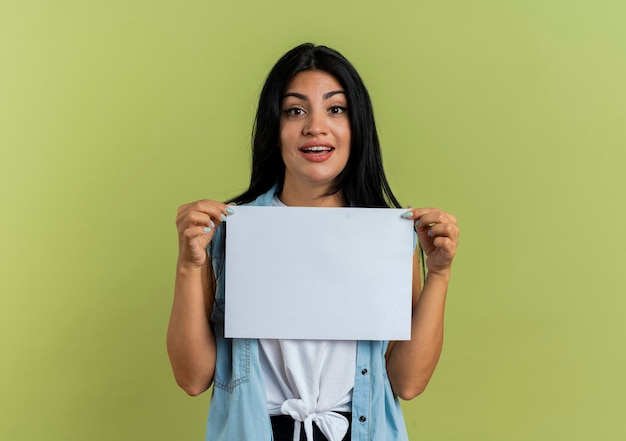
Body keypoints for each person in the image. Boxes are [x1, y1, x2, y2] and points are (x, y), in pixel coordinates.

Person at [167, 43, 460, 441]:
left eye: (335, 109)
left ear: (357, 127)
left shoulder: (387, 234)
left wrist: (439, 274)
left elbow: (407, 383)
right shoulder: (230, 230)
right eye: (295, 110)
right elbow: (192, 377)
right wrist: (189, 265)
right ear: (275, 129)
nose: (315, 127)